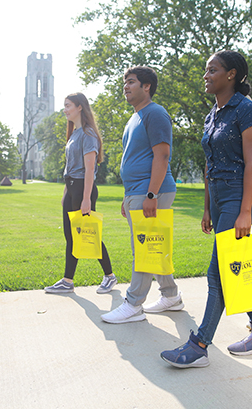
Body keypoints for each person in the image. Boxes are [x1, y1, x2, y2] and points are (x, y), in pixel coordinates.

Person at [161, 51, 252, 368]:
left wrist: (244, 212)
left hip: (242, 196)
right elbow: (211, 164)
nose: (205, 75)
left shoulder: (246, 110)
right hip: (219, 197)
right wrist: (207, 207)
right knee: (234, 266)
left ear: (232, 75)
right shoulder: (214, 113)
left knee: (219, 273)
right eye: (206, 70)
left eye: (212, 70)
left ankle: (199, 344)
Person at [101, 66, 183, 324]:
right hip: (136, 192)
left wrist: (151, 194)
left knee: (144, 248)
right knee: (153, 247)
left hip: (153, 191)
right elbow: (132, 158)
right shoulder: (134, 118)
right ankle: (171, 296)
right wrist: (127, 197)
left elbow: (162, 155)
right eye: (125, 82)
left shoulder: (155, 113)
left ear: (146, 86)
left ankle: (134, 304)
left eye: (131, 82)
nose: (125, 86)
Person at [45, 93, 117, 294]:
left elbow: (89, 168)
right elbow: (70, 167)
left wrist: (85, 198)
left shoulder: (88, 134)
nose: (65, 109)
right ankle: (68, 281)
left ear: (79, 107)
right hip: (72, 188)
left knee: (88, 233)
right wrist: (65, 192)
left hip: (83, 189)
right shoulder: (74, 133)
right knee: (70, 236)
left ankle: (110, 276)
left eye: (68, 105)